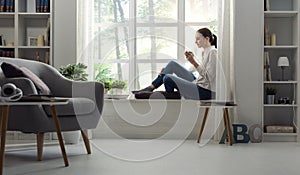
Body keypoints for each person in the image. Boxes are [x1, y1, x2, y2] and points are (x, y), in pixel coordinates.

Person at [132, 27, 217, 100]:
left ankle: (171, 94)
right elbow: (195, 69)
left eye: (198, 39)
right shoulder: (204, 52)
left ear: (207, 39)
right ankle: (150, 88)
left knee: (167, 78)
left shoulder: (213, 52)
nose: (196, 42)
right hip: (197, 83)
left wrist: (193, 62)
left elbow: (209, 77)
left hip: (204, 91)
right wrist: (166, 70)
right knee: (172, 65)